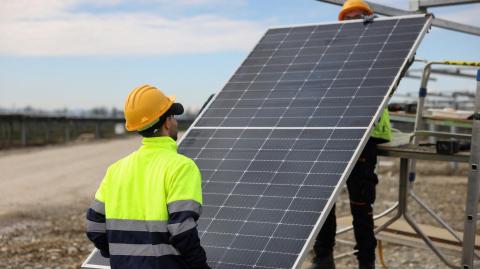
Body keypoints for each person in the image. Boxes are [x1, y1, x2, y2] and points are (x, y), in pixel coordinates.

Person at [86, 84, 211, 269]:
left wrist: (120, 255)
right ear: (168, 121)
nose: (175, 122)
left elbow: (94, 227)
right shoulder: (181, 167)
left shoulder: (116, 170)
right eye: (173, 117)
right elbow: (182, 231)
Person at [312, 1, 392, 269]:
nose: (355, 23)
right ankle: (324, 258)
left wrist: (382, 33)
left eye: (361, 18)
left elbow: (398, 64)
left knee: (361, 204)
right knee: (324, 202)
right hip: (332, 136)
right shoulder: (331, 54)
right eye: (349, 20)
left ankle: (366, 262)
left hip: (365, 137)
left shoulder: (381, 49)